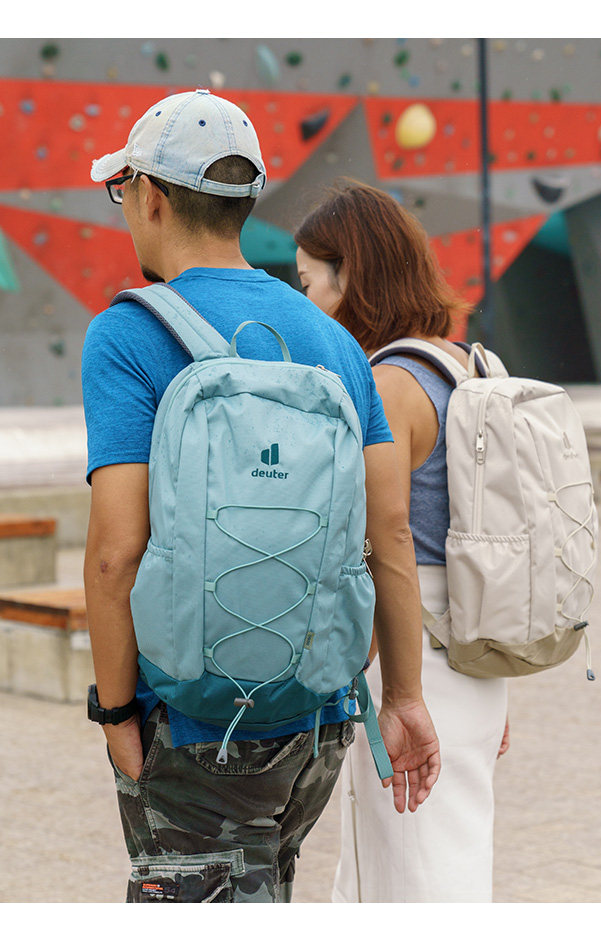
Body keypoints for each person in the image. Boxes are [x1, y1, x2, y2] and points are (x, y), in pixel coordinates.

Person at [81, 91, 439, 904]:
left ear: (151, 196)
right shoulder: (333, 342)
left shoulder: (128, 334)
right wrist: (406, 697)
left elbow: (114, 554)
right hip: (316, 714)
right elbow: (390, 532)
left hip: (190, 719)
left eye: (122, 189)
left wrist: (115, 715)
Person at [294, 179, 509, 903]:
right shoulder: (465, 364)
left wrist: (397, 690)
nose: (304, 302)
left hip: (412, 652)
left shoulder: (387, 383)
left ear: (349, 276)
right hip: (474, 644)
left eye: (308, 282)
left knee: (406, 868)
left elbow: (384, 538)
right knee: (447, 854)